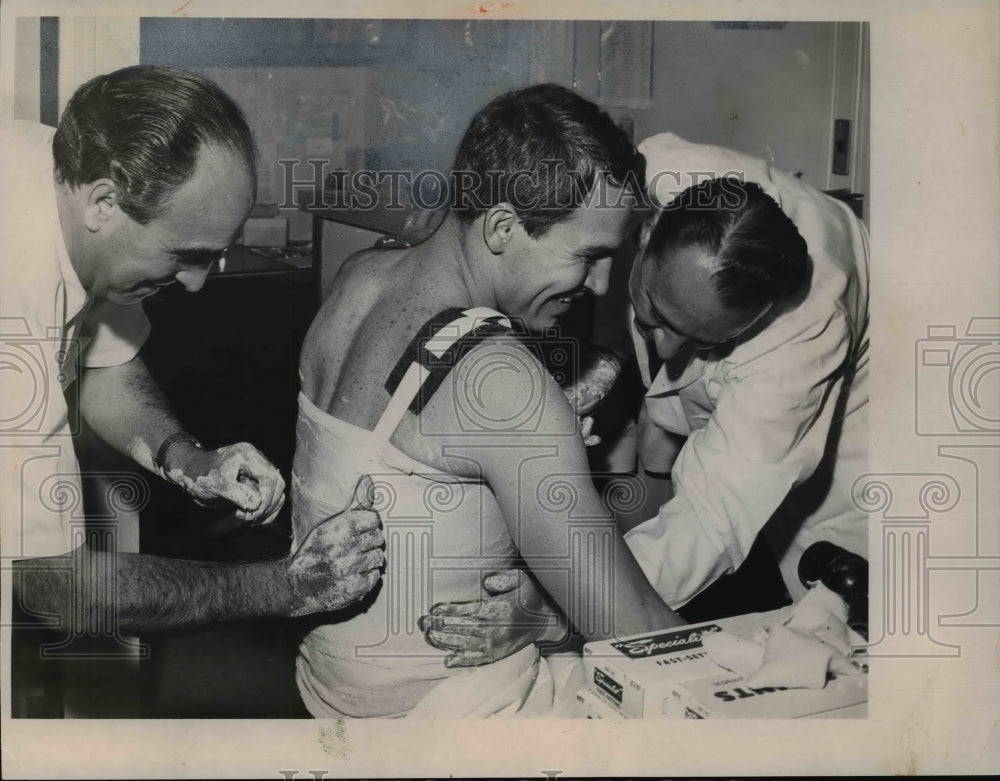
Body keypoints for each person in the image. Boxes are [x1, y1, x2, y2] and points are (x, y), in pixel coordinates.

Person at [290, 83, 684, 718]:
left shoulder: (358, 278)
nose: (602, 285)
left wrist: (533, 434)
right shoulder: (503, 386)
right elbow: (630, 627)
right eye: (590, 256)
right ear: (502, 226)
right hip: (455, 723)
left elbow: (402, 445)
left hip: (331, 699)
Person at [421, 132, 869, 662]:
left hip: (850, 446)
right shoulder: (630, 182)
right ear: (647, 230)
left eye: (704, 341)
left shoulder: (803, 330)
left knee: (828, 633)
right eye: (653, 311)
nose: (668, 348)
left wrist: (559, 606)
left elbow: (710, 519)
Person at [1, 66, 385, 642]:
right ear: (104, 202)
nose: (197, 284)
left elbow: (99, 355)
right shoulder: (15, 304)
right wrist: (286, 587)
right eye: (186, 254)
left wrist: (185, 459)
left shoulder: (52, 172)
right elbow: (60, 588)